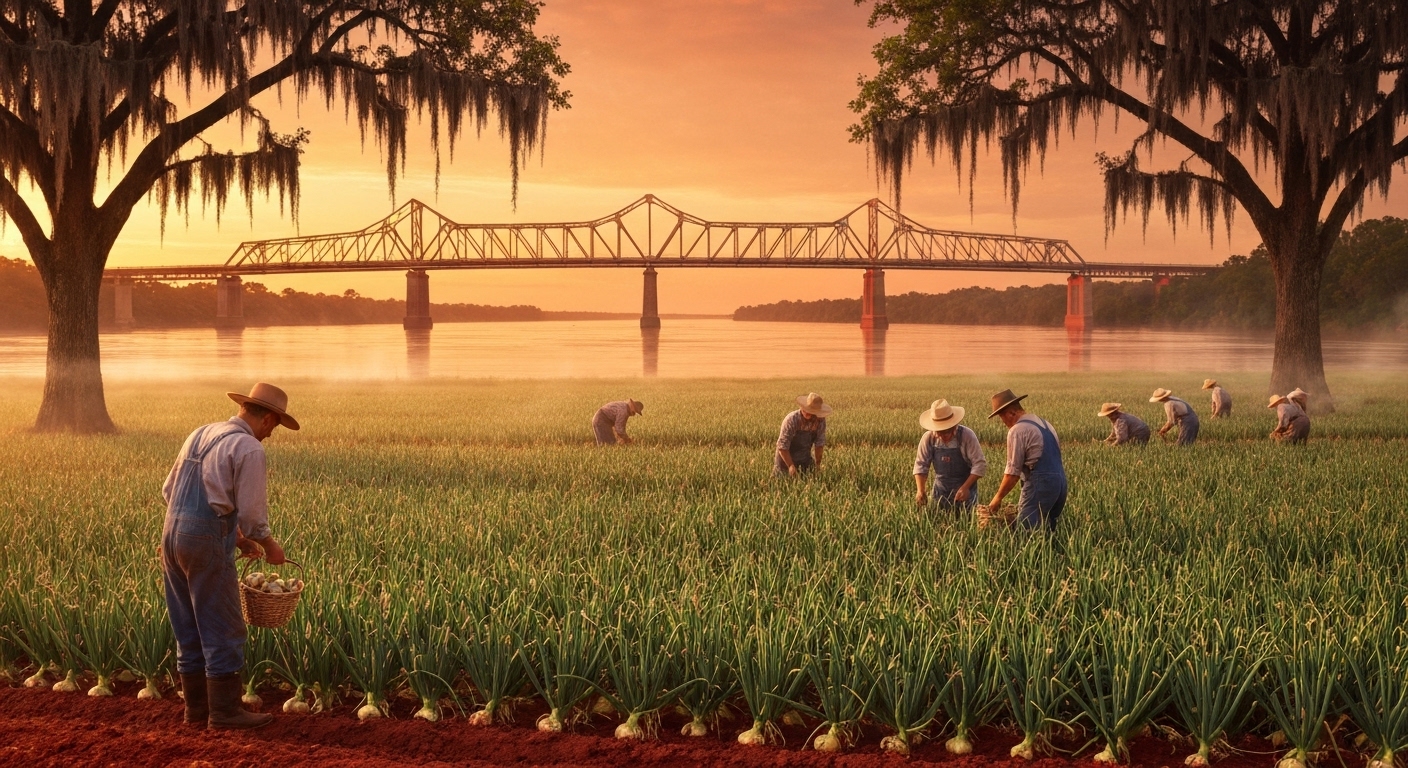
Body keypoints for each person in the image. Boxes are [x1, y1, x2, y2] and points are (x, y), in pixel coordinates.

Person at [162, 383, 297, 730]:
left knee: (187, 623)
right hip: (204, 539)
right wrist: (269, 546)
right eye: (274, 426)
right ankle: (224, 713)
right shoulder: (248, 447)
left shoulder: (200, 433)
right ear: (267, 418)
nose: (272, 434)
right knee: (223, 624)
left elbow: (168, 491)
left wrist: (233, 539)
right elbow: (253, 517)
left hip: (172, 533)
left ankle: (195, 712)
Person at [985, 389, 1067, 532]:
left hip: (1040, 484)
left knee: (1027, 533)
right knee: (1049, 529)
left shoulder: (1018, 430)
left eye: (1002, 417)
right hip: (1060, 483)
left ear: (1011, 413)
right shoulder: (1044, 423)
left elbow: (1013, 472)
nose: (1003, 422)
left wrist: (997, 498)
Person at [913, 399, 986, 510]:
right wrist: (921, 490)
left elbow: (979, 464)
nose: (941, 436)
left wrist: (965, 488)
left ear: (953, 427)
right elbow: (921, 465)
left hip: (965, 492)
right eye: (938, 432)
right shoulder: (928, 438)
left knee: (965, 521)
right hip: (940, 492)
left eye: (945, 433)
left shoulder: (966, 436)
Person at [776, 393, 830, 476]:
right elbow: (782, 446)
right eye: (806, 409)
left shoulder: (820, 421)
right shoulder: (792, 420)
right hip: (785, 459)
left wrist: (817, 465)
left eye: (811, 412)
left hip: (804, 458)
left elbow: (819, 444)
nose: (807, 413)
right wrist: (790, 466)